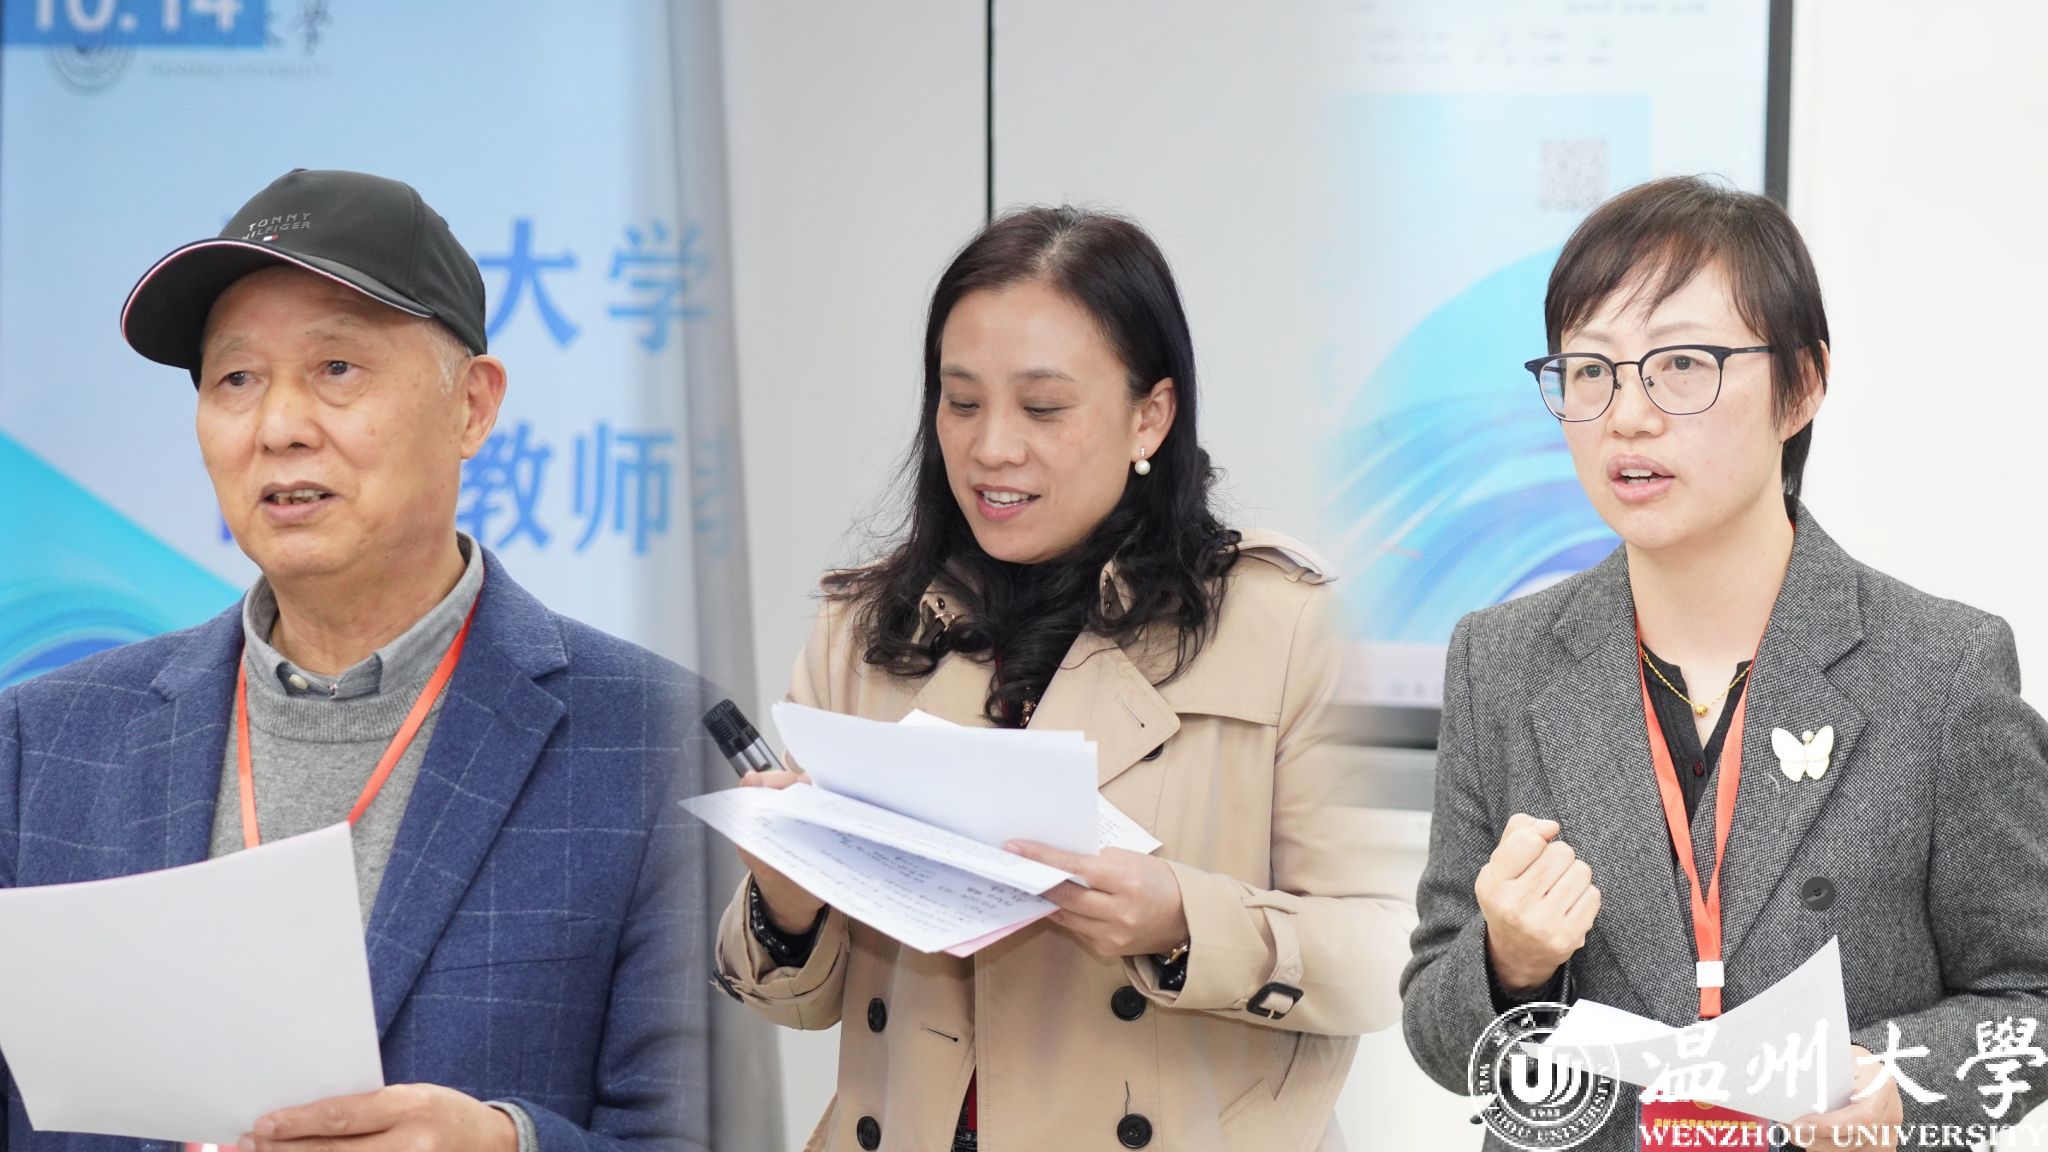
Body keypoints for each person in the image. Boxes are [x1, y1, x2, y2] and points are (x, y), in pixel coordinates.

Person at [0, 170, 712, 1152]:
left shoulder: (653, 741)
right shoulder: (43, 744)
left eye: (336, 368)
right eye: (236, 379)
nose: (278, 426)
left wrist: (504, 1147)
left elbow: (696, 1131)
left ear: (472, 407)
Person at [709, 206, 1413, 1151]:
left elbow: (1391, 955)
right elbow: (795, 1003)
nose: (992, 446)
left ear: (1149, 415)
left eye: (1043, 408)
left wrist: (1182, 921)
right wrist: (786, 895)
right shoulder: (868, 627)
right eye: (961, 402)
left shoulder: (1282, 625)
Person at [1400, 176, 2048, 1151]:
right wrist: (1507, 962)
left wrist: (1898, 1085)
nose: (1626, 415)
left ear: (1801, 384)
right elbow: (1437, 1035)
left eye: (1681, 365)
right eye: (1589, 370)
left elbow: (2029, 1001)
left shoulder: (1941, 667)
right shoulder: (1499, 662)